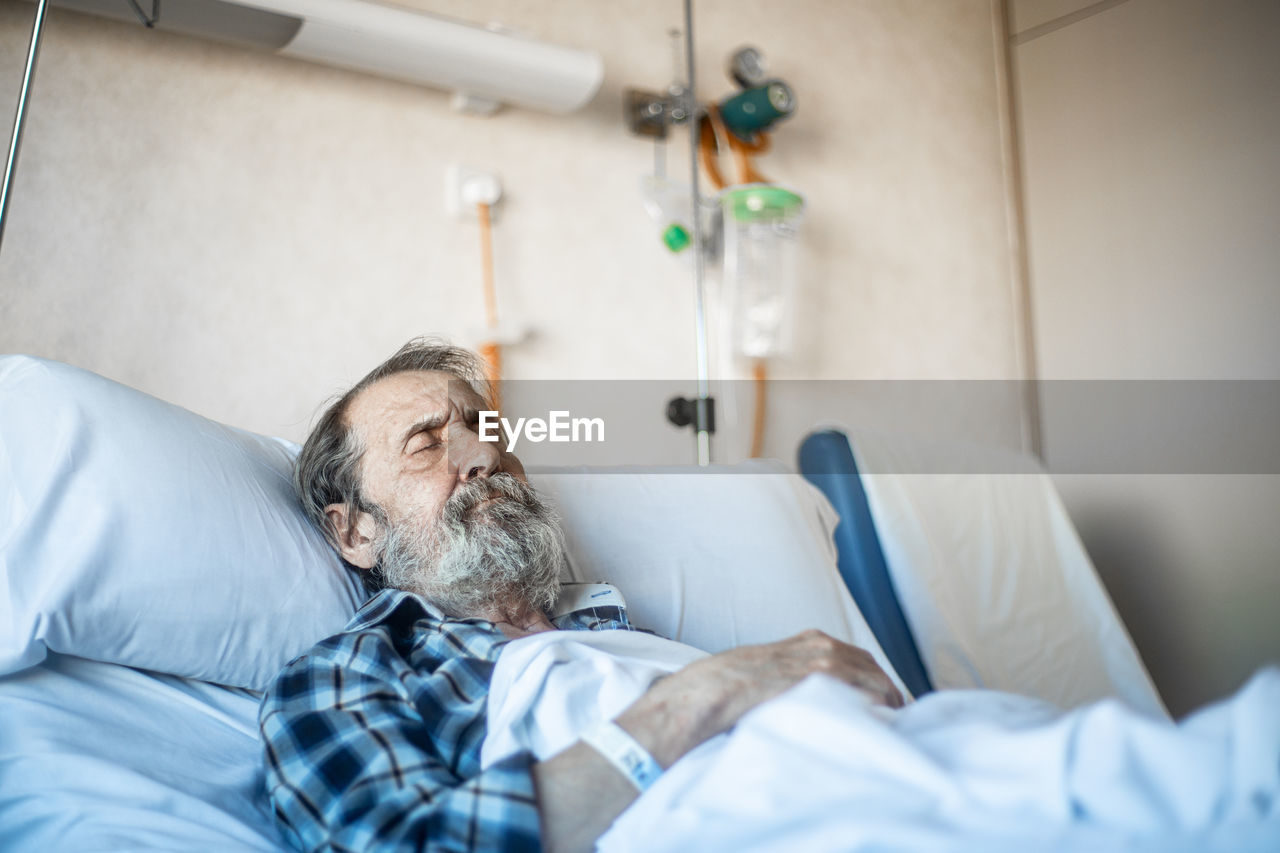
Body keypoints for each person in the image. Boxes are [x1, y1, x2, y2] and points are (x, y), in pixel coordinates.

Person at [259, 339, 902, 853]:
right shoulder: (344, 676)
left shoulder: (622, 630)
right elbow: (409, 843)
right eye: (427, 444)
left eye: (488, 430)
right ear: (355, 531)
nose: (483, 452)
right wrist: (702, 697)